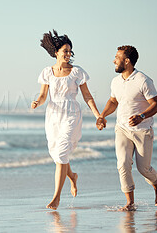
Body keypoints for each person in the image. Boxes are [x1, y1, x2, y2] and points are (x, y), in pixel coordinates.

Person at [31, 30, 101, 210]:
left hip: (71, 114)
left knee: (61, 153)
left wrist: (97, 115)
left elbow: (87, 96)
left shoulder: (77, 72)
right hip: (53, 115)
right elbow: (43, 95)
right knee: (57, 155)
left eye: (70, 51)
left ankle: (56, 197)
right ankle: (72, 176)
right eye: (65, 51)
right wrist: (37, 102)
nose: (68, 54)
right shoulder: (47, 72)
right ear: (56, 52)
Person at [97, 45, 157, 211]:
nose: (114, 60)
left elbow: (156, 104)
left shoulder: (143, 80)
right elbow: (113, 101)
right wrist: (102, 116)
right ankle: (130, 202)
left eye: (117, 57)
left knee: (143, 168)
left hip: (142, 130)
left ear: (127, 61)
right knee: (123, 164)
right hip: (122, 129)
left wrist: (142, 116)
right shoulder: (116, 81)